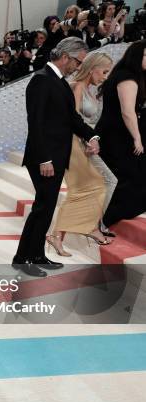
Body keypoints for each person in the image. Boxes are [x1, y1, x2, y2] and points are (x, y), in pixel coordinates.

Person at [13, 37, 99, 277]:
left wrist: (92, 136)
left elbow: (71, 118)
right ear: (65, 57)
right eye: (78, 62)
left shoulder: (58, 81)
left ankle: (36, 254)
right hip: (45, 159)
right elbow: (36, 123)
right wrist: (44, 159)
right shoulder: (41, 80)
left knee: (46, 207)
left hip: (56, 156)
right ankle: (23, 258)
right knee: (43, 207)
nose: (78, 68)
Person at [48, 53, 115, 256]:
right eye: (104, 72)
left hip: (87, 142)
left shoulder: (91, 91)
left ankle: (67, 233)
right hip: (75, 144)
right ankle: (90, 227)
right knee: (99, 183)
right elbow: (73, 118)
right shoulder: (76, 86)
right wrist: (89, 140)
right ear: (93, 68)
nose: (105, 77)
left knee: (90, 187)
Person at [97, 40, 146, 227]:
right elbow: (127, 112)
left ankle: (103, 219)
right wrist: (137, 138)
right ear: (136, 57)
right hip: (118, 136)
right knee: (132, 178)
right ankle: (106, 219)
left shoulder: (121, 75)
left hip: (111, 133)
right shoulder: (128, 78)